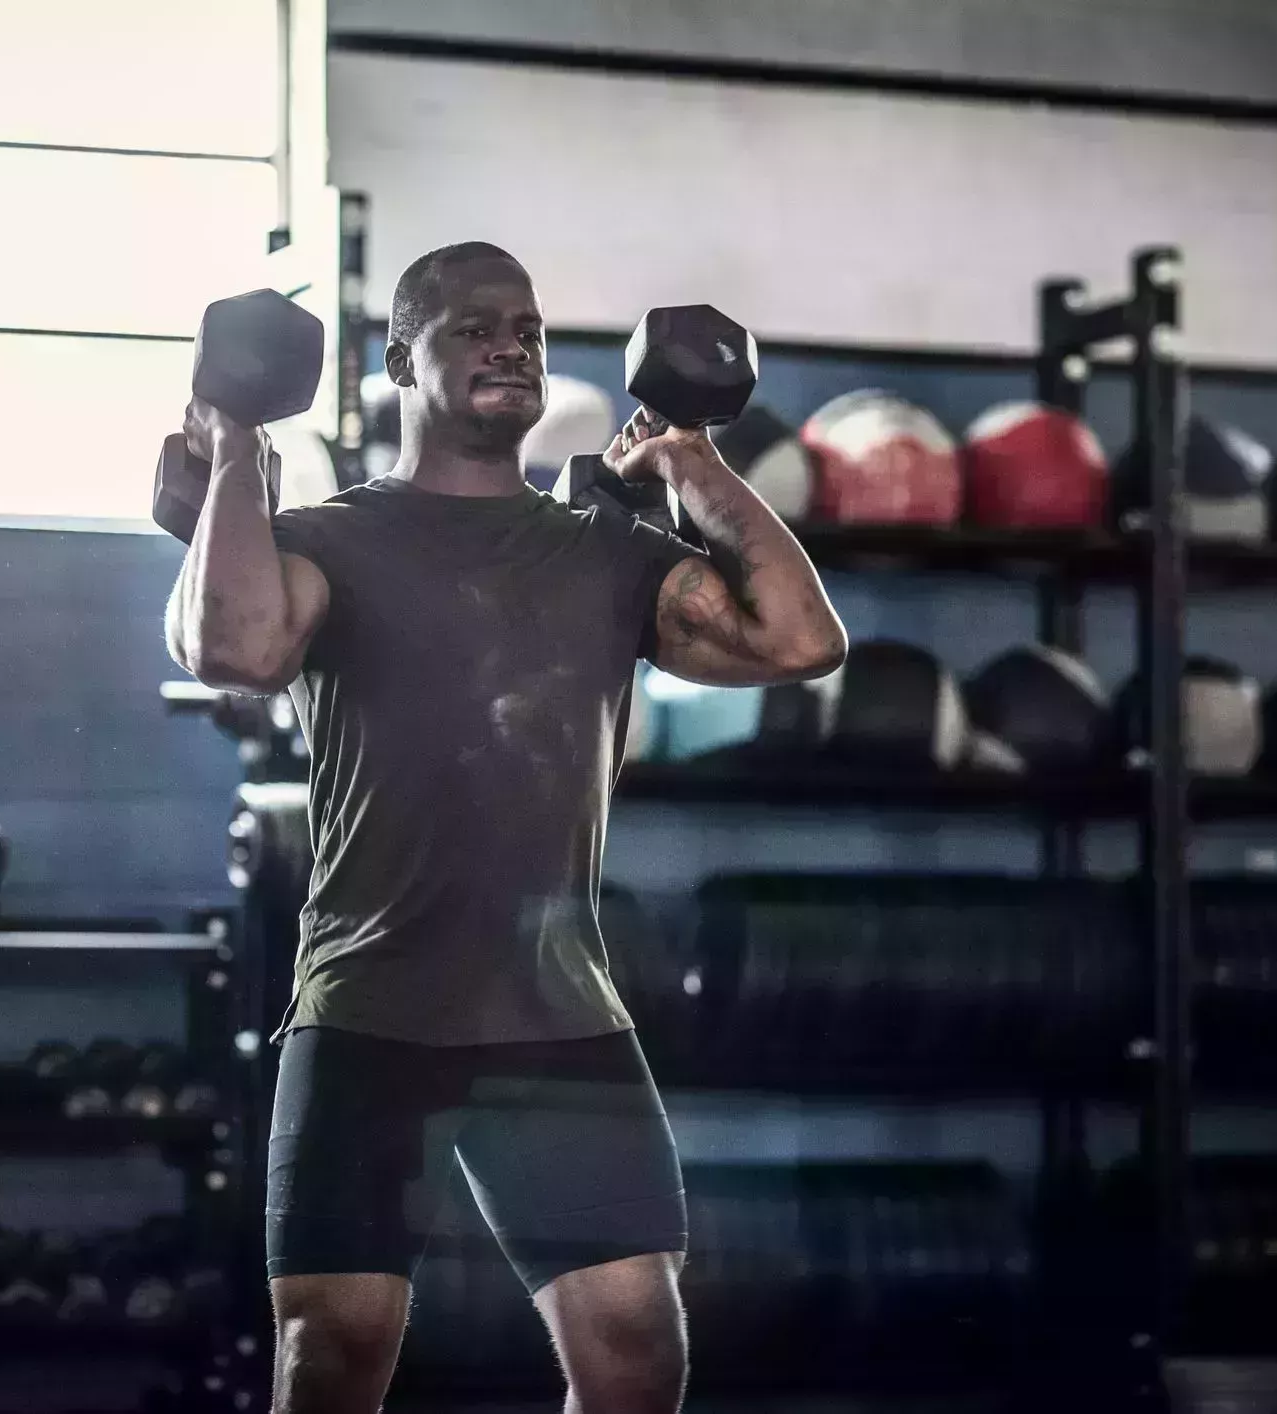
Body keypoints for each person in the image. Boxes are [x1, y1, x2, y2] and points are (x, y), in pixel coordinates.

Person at [165, 243, 846, 1414]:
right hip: (372, 1006)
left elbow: (797, 640)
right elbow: (234, 647)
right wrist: (235, 447)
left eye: (526, 327)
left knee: (638, 1346)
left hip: (558, 1012)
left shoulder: (607, 552)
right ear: (398, 360)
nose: (510, 343)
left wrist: (690, 458)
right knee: (329, 1358)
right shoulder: (332, 538)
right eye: (473, 324)